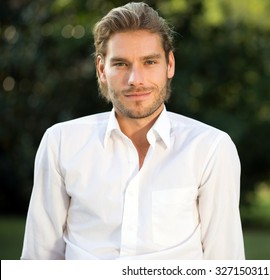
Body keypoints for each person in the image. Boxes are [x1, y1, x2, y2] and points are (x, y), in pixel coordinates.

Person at [21, 2, 245, 260]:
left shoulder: (210, 148)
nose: (135, 79)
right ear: (101, 69)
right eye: (121, 64)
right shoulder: (60, 142)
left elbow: (226, 262)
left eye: (149, 62)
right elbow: (38, 259)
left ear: (169, 65)